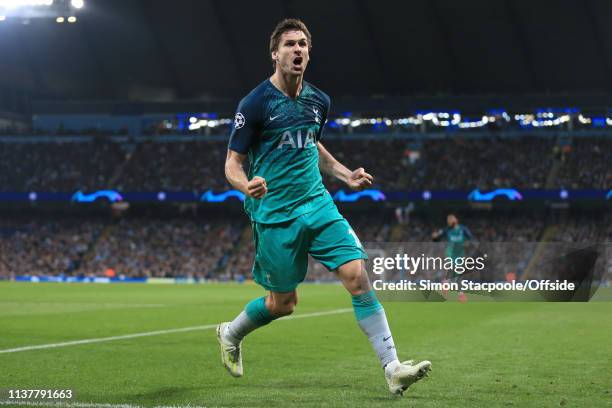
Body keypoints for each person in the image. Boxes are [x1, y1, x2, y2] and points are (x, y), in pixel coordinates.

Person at [217, 18, 431, 395]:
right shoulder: (254, 104)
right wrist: (245, 185)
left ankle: (393, 368)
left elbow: (311, 144)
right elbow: (232, 163)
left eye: (302, 45)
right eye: (289, 45)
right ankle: (230, 333)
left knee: (357, 276)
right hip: (276, 214)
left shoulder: (319, 101)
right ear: (275, 54)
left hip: (317, 203)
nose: (297, 50)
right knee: (282, 304)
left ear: (309, 53)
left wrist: (345, 175)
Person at [432, 214, 474, 302]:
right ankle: (460, 294)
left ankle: (447, 283)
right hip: (450, 253)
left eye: (451, 219)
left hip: (460, 254)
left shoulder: (463, 229)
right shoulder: (447, 230)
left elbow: (471, 238)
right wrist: (435, 236)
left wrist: (468, 243)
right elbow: (436, 238)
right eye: (449, 220)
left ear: (456, 220)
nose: (450, 221)